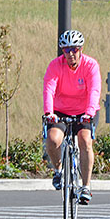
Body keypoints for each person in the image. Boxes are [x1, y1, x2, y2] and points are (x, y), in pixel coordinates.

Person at [43, 30, 101, 205]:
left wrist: (89, 113)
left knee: (85, 141)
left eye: (74, 49)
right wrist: (49, 112)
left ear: (80, 49)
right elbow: (49, 89)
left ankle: (86, 186)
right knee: (53, 140)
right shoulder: (55, 65)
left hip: (85, 112)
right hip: (60, 111)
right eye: (66, 50)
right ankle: (59, 170)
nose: (70, 54)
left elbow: (94, 90)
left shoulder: (90, 66)